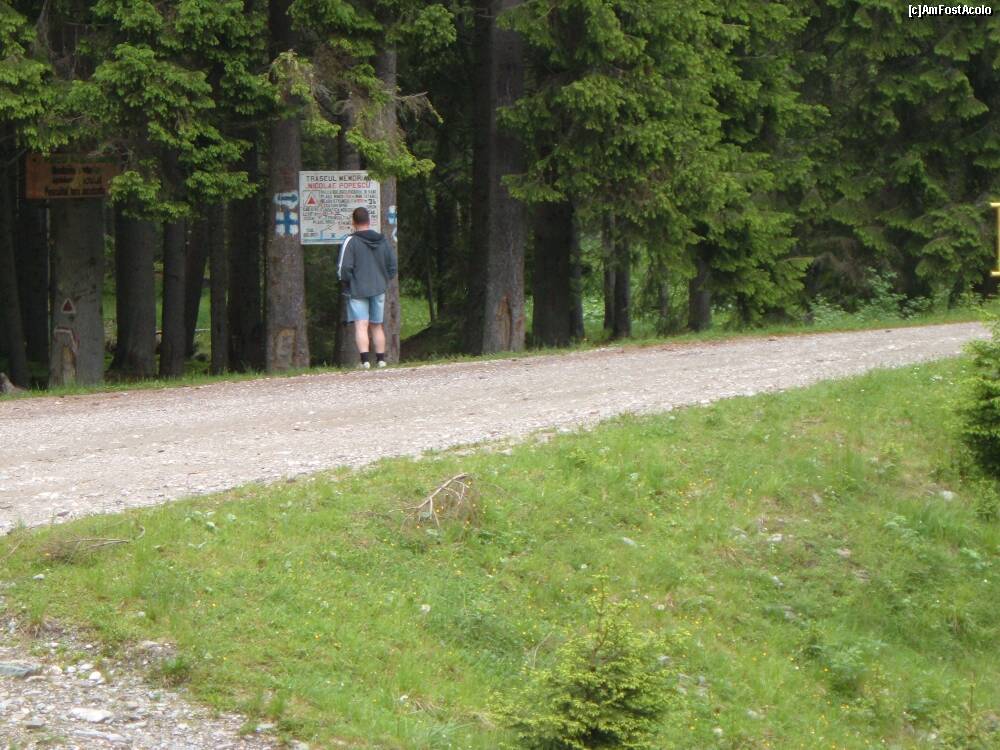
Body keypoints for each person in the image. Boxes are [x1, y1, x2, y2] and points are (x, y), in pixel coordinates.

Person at [337, 206, 398, 369]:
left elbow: (344, 268)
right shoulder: (382, 240)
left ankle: (365, 361)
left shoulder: (351, 241)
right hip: (379, 287)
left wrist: (347, 282)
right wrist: (384, 279)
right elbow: (392, 265)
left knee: (361, 324)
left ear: (353, 222)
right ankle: (381, 360)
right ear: (369, 221)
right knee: (377, 325)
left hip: (357, 289)